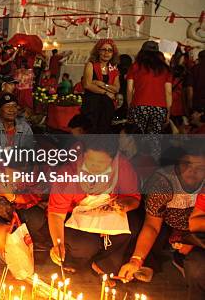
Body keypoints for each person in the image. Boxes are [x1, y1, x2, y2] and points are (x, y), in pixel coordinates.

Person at [118, 147, 204, 299]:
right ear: (177, 164)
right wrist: (136, 260)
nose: (192, 171)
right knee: (145, 232)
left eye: (200, 168)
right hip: (166, 224)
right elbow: (152, 225)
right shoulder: (163, 183)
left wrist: (193, 240)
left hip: (195, 232)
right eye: (187, 165)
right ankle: (146, 265)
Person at [49, 137, 141, 276]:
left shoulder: (122, 166)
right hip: (75, 220)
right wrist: (58, 244)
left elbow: (133, 198)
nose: (94, 167)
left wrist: (124, 205)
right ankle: (76, 261)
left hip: (110, 214)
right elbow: (56, 213)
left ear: (113, 159)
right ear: (83, 154)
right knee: (85, 245)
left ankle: (103, 265)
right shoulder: (69, 173)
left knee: (132, 227)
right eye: (90, 161)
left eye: (101, 163)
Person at [126, 41, 172, 134]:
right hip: (159, 107)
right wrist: (168, 112)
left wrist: (130, 108)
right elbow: (168, 92)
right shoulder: (165, 69)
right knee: (154, 140)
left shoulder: (135, 66)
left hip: (139, 105)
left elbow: (129, 89)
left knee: (138, 138)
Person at [81, 39, 120, 134]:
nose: (106, 53)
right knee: (91, 132)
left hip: (107, 107)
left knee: (104, 133)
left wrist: (102, 84)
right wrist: (106, 92)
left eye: (110, 50)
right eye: (104, 50)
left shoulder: (113, 68)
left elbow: (116, 89)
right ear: (98, 51)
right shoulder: (91, 65)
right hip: (92, 105)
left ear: (113, 53)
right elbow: (87, 84)